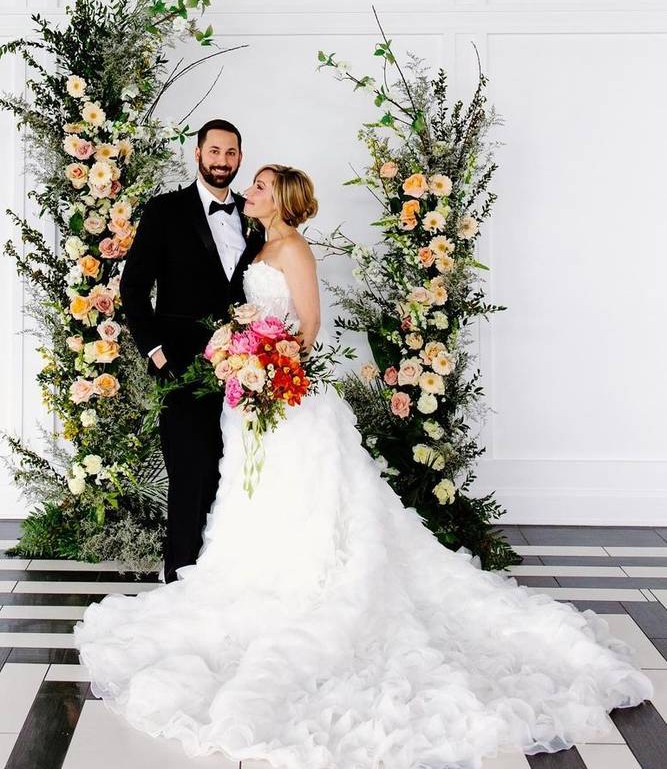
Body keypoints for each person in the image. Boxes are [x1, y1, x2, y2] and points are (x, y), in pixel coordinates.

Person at [76, 164, 653, 769]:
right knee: (246, 499)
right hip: (246, 401)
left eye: (261, 186)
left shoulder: (292, 248)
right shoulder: (256, 242)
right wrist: (241, 353)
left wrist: (270, 363)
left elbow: (310, 325)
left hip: (285, 398)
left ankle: (301, 581)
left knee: (305, 498)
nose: (249, 190)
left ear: (283, 200)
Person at [119, 119, 262, 583]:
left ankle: (222, 583)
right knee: (189, 476)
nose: (223, 161)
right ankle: (180, 583)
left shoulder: (254, 214)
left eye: (231, 153)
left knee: (232, 475)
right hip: (181, 367)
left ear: (240, 157)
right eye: (214, 151)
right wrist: (157, 354)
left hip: (244, 371)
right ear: (198, 154)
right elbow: (134, 289)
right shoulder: (165, 211)